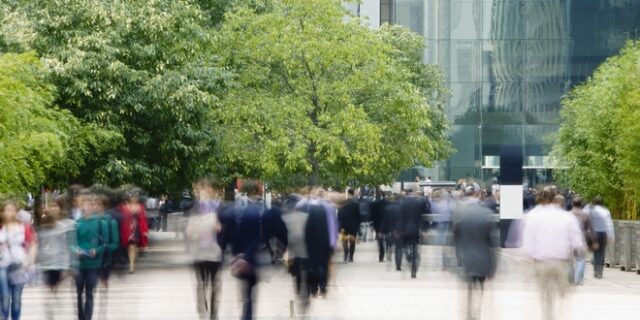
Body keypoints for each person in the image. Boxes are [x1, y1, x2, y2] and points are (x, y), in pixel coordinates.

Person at [522, 188, 585, 320]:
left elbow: (528, 242)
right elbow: (576, 240)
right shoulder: (566, 216)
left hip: (541, 263)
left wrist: (527, 259)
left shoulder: (534, 216)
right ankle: (560, 315)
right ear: (555, 199)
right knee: (563, 296)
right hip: (561, 263)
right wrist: (580, 250)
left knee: (545, 294)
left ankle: (547, 315)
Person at [453, 188, 498, 320]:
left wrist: (456, 259)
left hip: (467, 258)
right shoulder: (486, 213)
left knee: (469, 286)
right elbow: (493, 242)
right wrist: (494, 266)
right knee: (480, 287)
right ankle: (477, 311)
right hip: (483, 259)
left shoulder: (461, 214)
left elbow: (455, 238)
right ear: (478, 195)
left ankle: (469, 312)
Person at [186, 178, 223, 320]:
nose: (206, 193)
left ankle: (214, 314)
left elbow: (224, 228)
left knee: (215, 285)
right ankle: (203, 311)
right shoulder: (194, 207)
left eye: (208, 190)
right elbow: (188, 230)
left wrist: (219, 228)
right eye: (202, 190)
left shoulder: (218, 207)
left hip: (214, 251)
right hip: (199, 252)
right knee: (201, 284)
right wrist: (192, 231)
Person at [228, 181, 262, 320]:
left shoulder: (237, 209)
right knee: (249, 292)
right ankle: (247, 315)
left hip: (242, 255)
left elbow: (233, 233)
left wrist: (237, 254)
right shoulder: (256, 209)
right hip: (251, 256)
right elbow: (259, 236)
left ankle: (246, 314)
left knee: (246, 292)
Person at [37, 196, 74, 320]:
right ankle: (50, 313)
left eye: (55, 206)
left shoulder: (62, 227)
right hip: (47, 264)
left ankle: (54, 296)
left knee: (54, 288)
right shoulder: (42, 229)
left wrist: (65, 266)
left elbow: (65, 247)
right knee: (48, 291)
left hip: (58, 264)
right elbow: (39, 246)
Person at [72, 192, 108, 320]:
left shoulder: (100, 224)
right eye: (84, 204)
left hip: (93, 264)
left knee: (89, 292)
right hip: (79, 263)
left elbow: (105, 244)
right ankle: (81, 316)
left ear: (93, 207)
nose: (86, 207)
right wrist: (76, 251)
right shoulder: (76, 224)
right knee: (78, 293)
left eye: (89, 204)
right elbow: (71, 243)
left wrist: (96, 250)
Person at [0, 200, 38, 320]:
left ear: (16, 212)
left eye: (11, 210)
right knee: (4, 297)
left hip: (19, 265)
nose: (8, 213)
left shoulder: (24, 228)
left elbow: (33, 243)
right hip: (2, 265)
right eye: (6, 210)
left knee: (16, 299)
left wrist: (30, 260)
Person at [281, 194, 310, 312]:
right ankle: (306, 294)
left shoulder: (285, 218)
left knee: (296, 275)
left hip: (293, 252)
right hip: (305, 250)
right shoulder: (307, 216)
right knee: (305, 273)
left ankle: (299, 294)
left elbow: (282, 236)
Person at [93, 192, 119, 319]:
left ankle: (102, 312)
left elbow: (115, 243)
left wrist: (104, 249)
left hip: (105, 259)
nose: (95, 207)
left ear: (103, 206)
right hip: (91, 260)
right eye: (94, 204)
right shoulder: (89, 221)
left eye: (98, 205)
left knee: (103, 284)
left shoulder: (110, 222)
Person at [117, 189, 148, 274]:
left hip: (137, 229)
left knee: (133, 246)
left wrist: (145, 231)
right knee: (130, 247)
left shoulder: (140, 206)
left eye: (135, 197)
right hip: (127, 229)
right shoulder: (124, 206)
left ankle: (132, 266)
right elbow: (121, 218)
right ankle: (132, 265)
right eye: (132, 197)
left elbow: (143, 219)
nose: (134, 198)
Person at [397, 193, 428, 278]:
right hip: (415, 230)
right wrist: (424, 230)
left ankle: (408, 256)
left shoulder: (401, 204)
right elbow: (423, 217)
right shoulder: (419, 204)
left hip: (404, 230)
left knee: (405, 246)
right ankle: (413, 269)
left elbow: (399, 217)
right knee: (415, 249)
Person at [587, 196, 614, 279]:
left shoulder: (591, 211)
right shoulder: (606, 211)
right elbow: (609, 224)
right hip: (603, 233)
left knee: (595, 252)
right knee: (602, 252)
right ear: (602, 203)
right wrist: (610, 235)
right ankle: (600, 272)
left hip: (594, 233)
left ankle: (595, 271)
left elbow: (589, 223)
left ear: (594, 203)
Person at [570, 197, 594, 285]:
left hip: (570, 241)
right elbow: (591, 229)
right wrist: (594, 241)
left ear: (572, 204)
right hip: (581, 240)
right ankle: (578, 279)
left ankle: (571, 278)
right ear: (581, 205)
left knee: (570, 260)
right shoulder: (585, 215)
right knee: (581, 260)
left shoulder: (568, 214)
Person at [338, 190, 360, 263]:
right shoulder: (356, 204)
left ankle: (345, 254)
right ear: (353, 194)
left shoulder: (342, 204)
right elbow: (358, 216)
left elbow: (339, 216)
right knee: (352, 241)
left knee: (344, 241)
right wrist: (358, 226)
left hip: (344, 225)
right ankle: (351, 257)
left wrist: (339, 227)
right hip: (353, 225)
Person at [370, 194, 389, 262]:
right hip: (387, 225)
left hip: (378, 225)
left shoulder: (375, 204)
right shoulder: (389, 204)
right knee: (387, 239)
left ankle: (381, 255)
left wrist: (374, 225)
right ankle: (387, 251)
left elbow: (372, 215)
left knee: (380, 241)